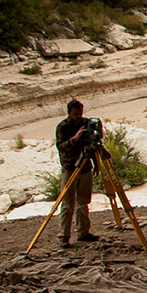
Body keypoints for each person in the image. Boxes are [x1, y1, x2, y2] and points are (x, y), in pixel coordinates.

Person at [55, 99, 99, 248]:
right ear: (69, 113)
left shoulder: (87, 123)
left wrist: (96, 163)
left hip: (85, 167)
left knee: (83, 202)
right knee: (67, 204)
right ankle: (64, 236)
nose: (78, 116)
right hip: (70, 168)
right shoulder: (62, 127)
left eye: (80, 113)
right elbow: (61, 147)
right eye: (75, 114)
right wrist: (75, 138)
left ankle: (83, 232)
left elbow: (92, 145)